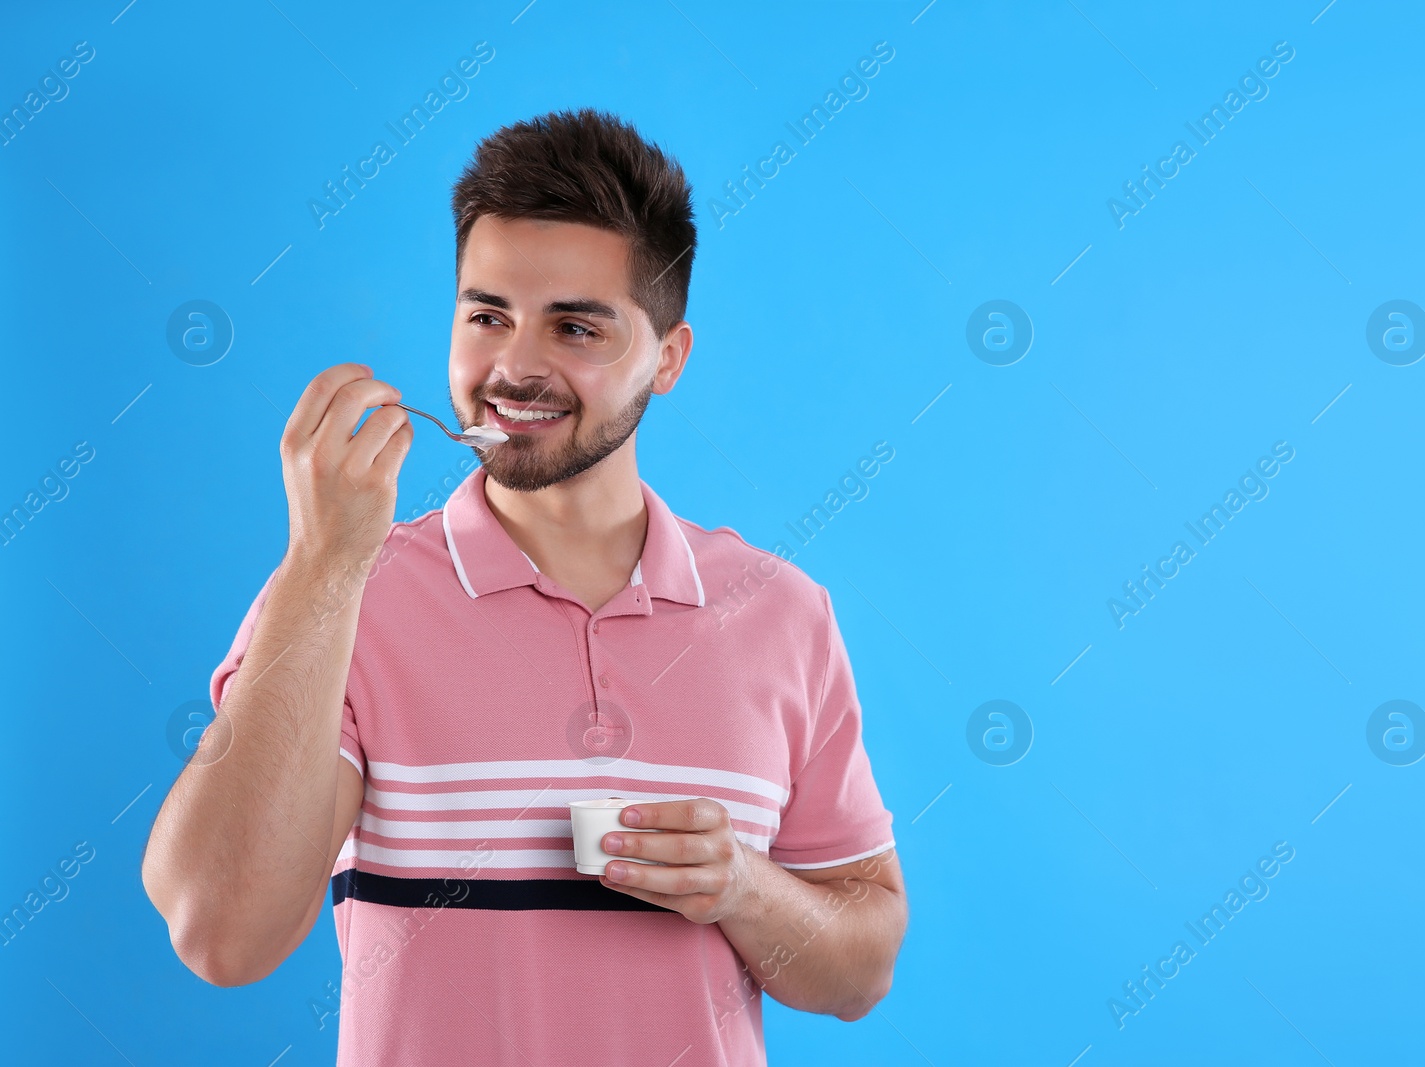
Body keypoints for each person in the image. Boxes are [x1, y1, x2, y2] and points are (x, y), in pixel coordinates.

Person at [140, 107, 907, 1066]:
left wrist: (743, 889)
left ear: (667, 359)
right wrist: (323, 568)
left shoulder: (781, 612)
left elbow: (860, 971)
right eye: (486, 314)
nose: (514, 367)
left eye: (576, 326)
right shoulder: (343, 595)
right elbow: (220, 932)